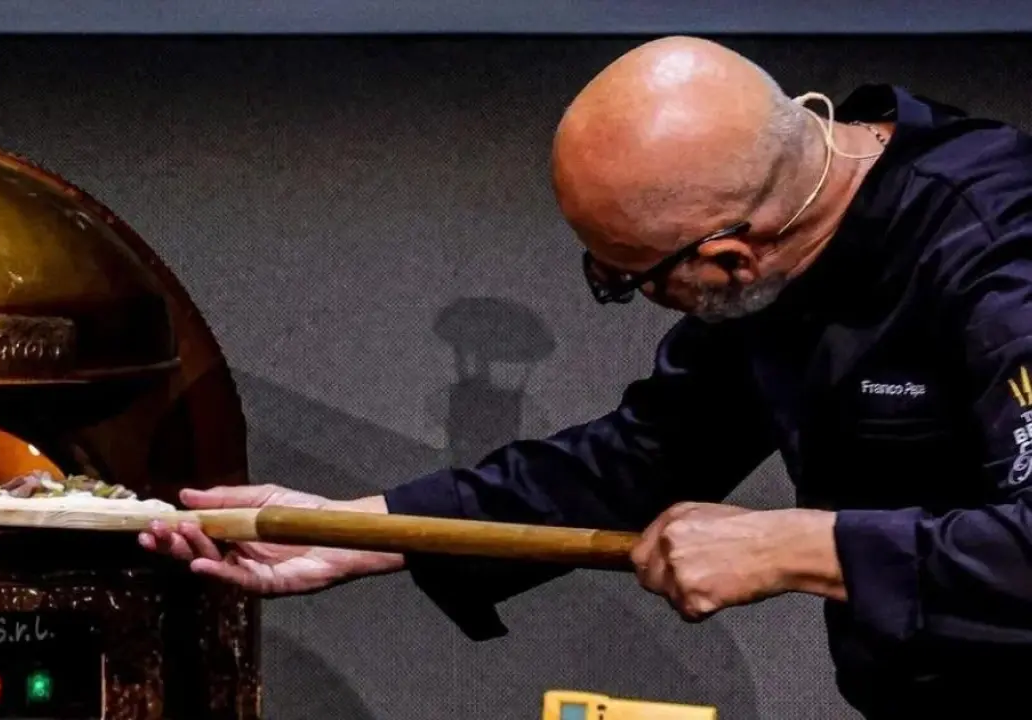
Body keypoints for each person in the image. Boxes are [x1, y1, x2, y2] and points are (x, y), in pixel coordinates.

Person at [140, 35, 1032, 718]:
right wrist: (361, 529)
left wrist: (796, 546)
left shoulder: (999, 255)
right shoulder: (782, 245)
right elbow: (641, 457)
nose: (624, 294)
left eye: (625, 280)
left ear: (730, 255)